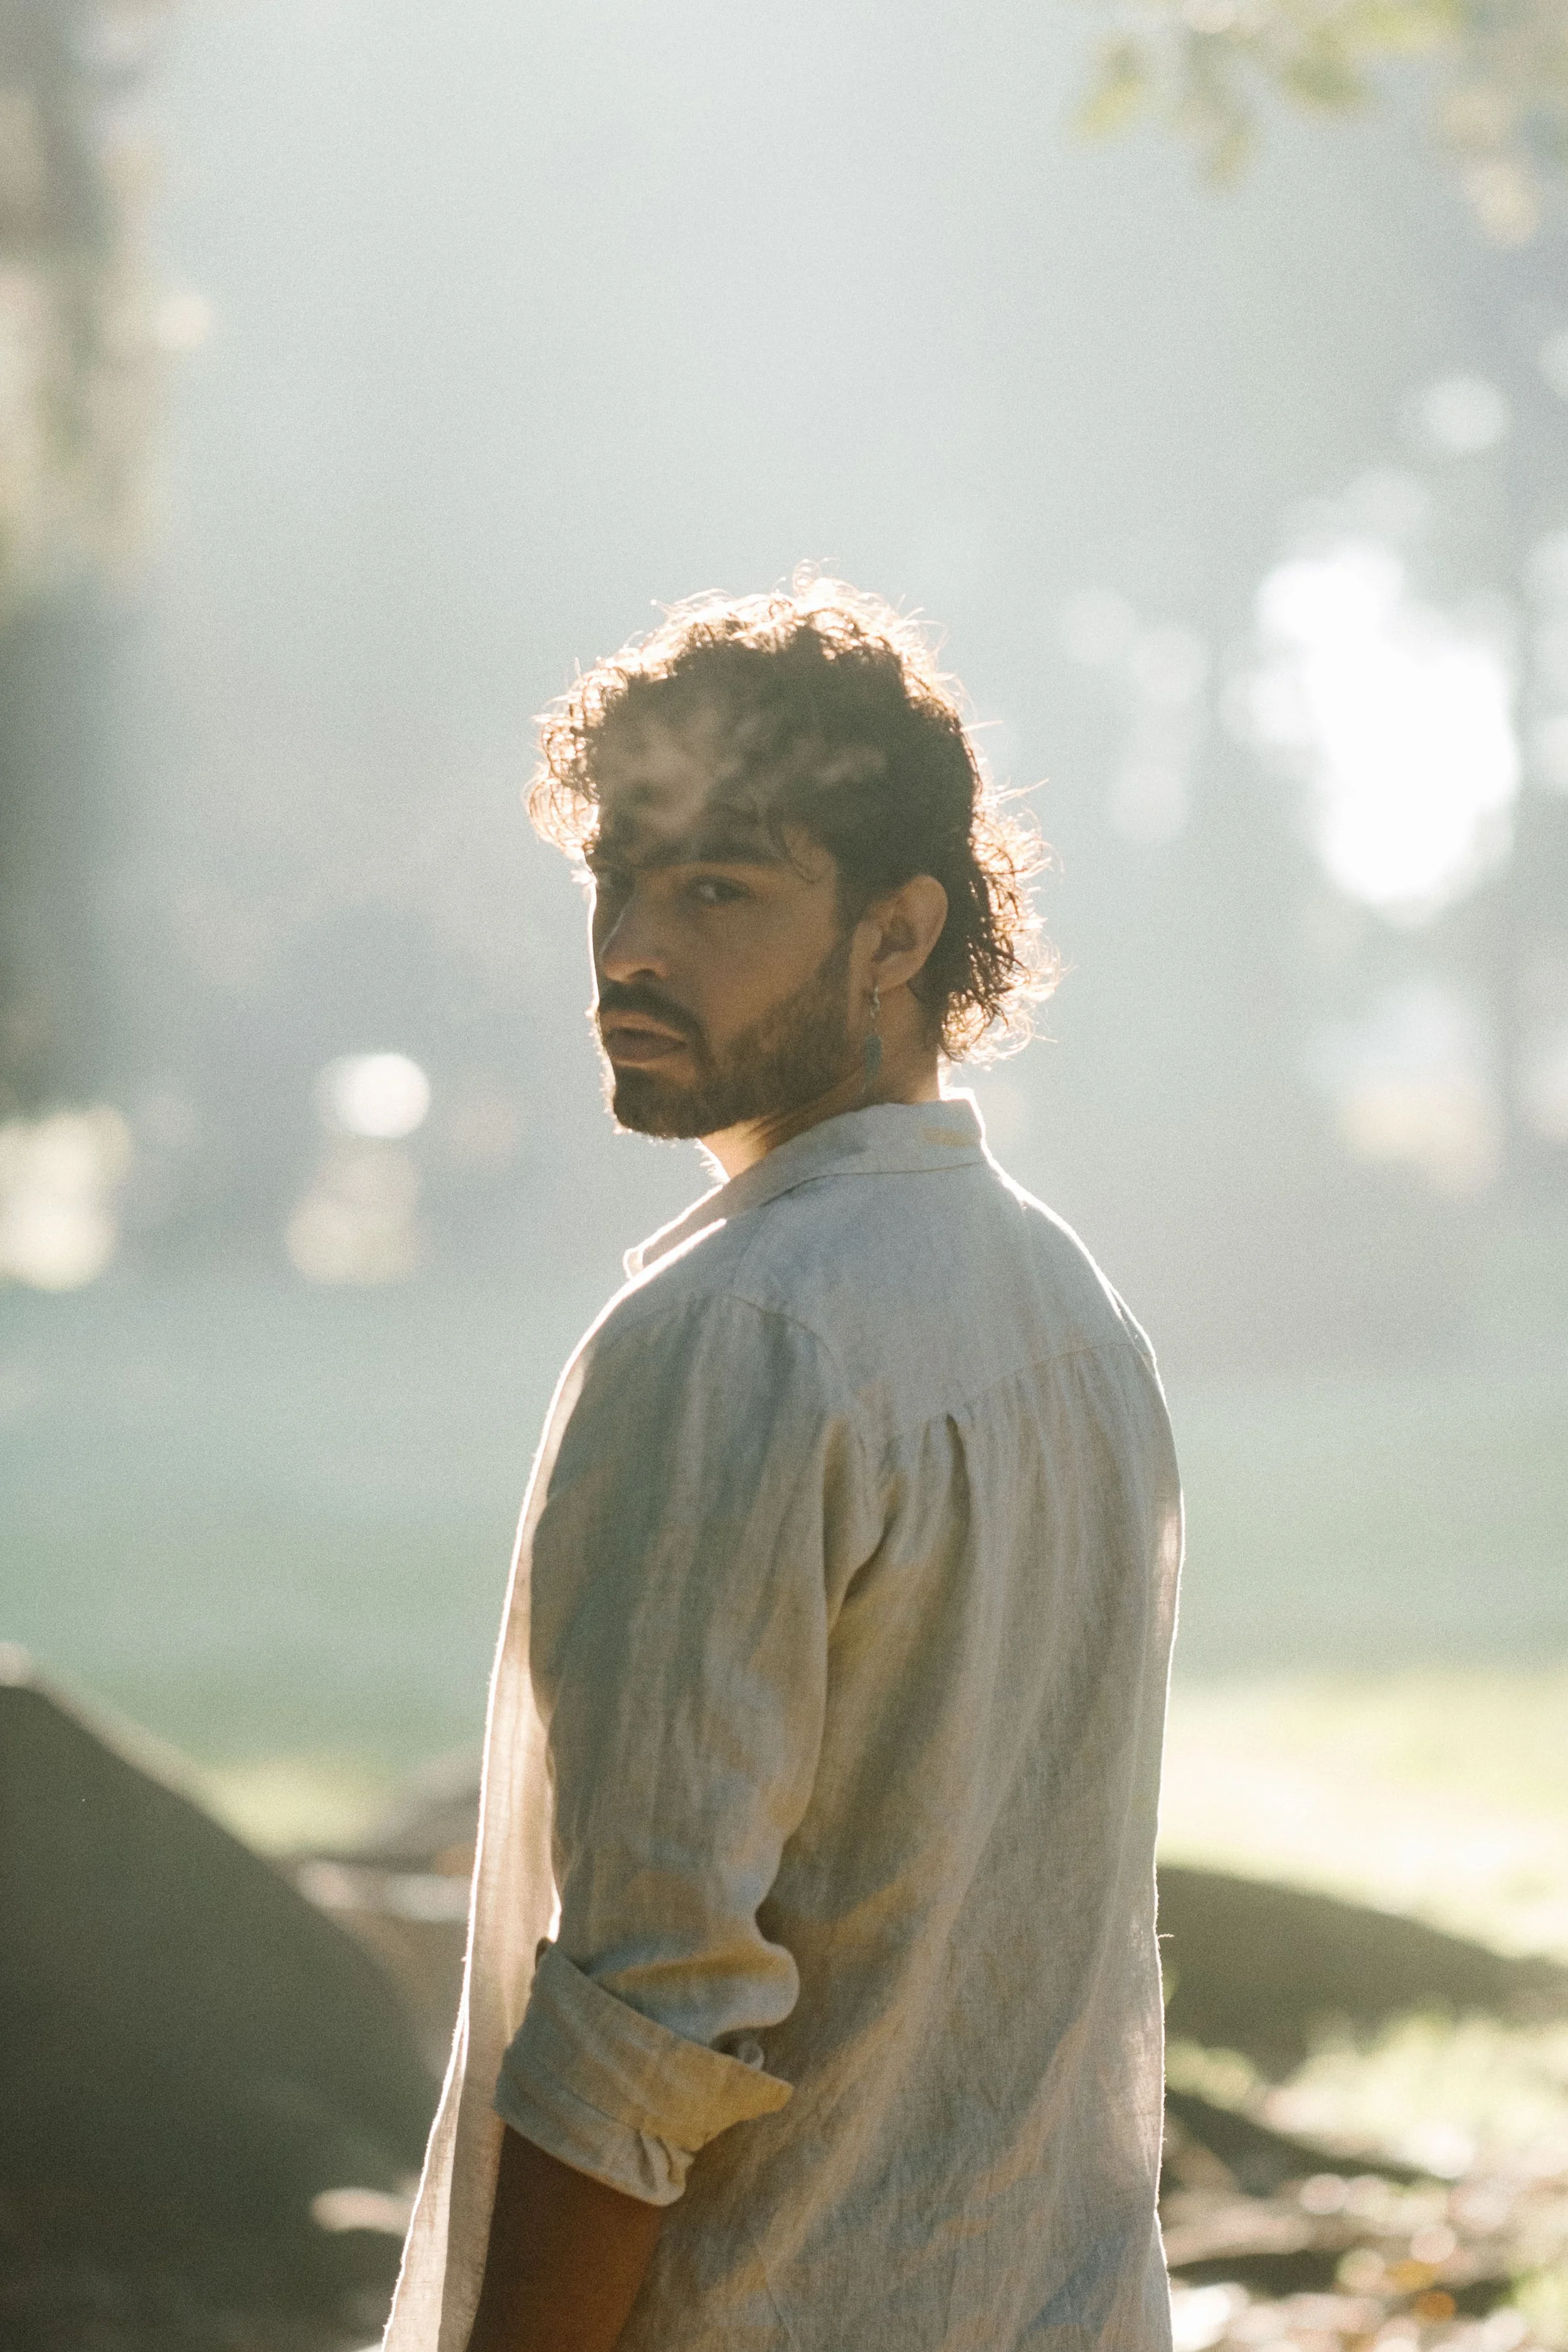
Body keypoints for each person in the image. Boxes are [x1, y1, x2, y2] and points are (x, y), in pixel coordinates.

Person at [381, 577, 1183, 2352]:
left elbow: (643, 2011)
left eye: (716, 889)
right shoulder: (1068, 1308)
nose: (629, 949)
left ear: (898, 936)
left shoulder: (737, 1337)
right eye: (616, 879)